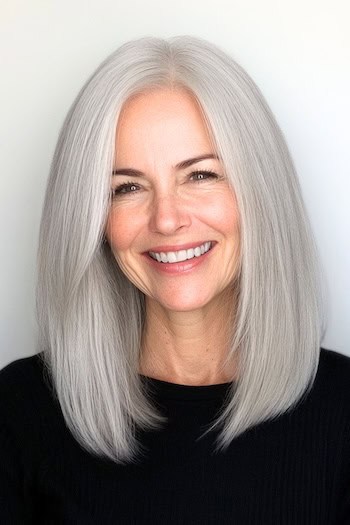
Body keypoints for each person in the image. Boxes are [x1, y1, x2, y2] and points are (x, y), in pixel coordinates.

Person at [0, 35, 349, 524]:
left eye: (200, 175)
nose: (166, 219)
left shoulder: (343, 411)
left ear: (259, 192)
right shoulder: (18, 414)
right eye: (128, 187)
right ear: (94, 220)